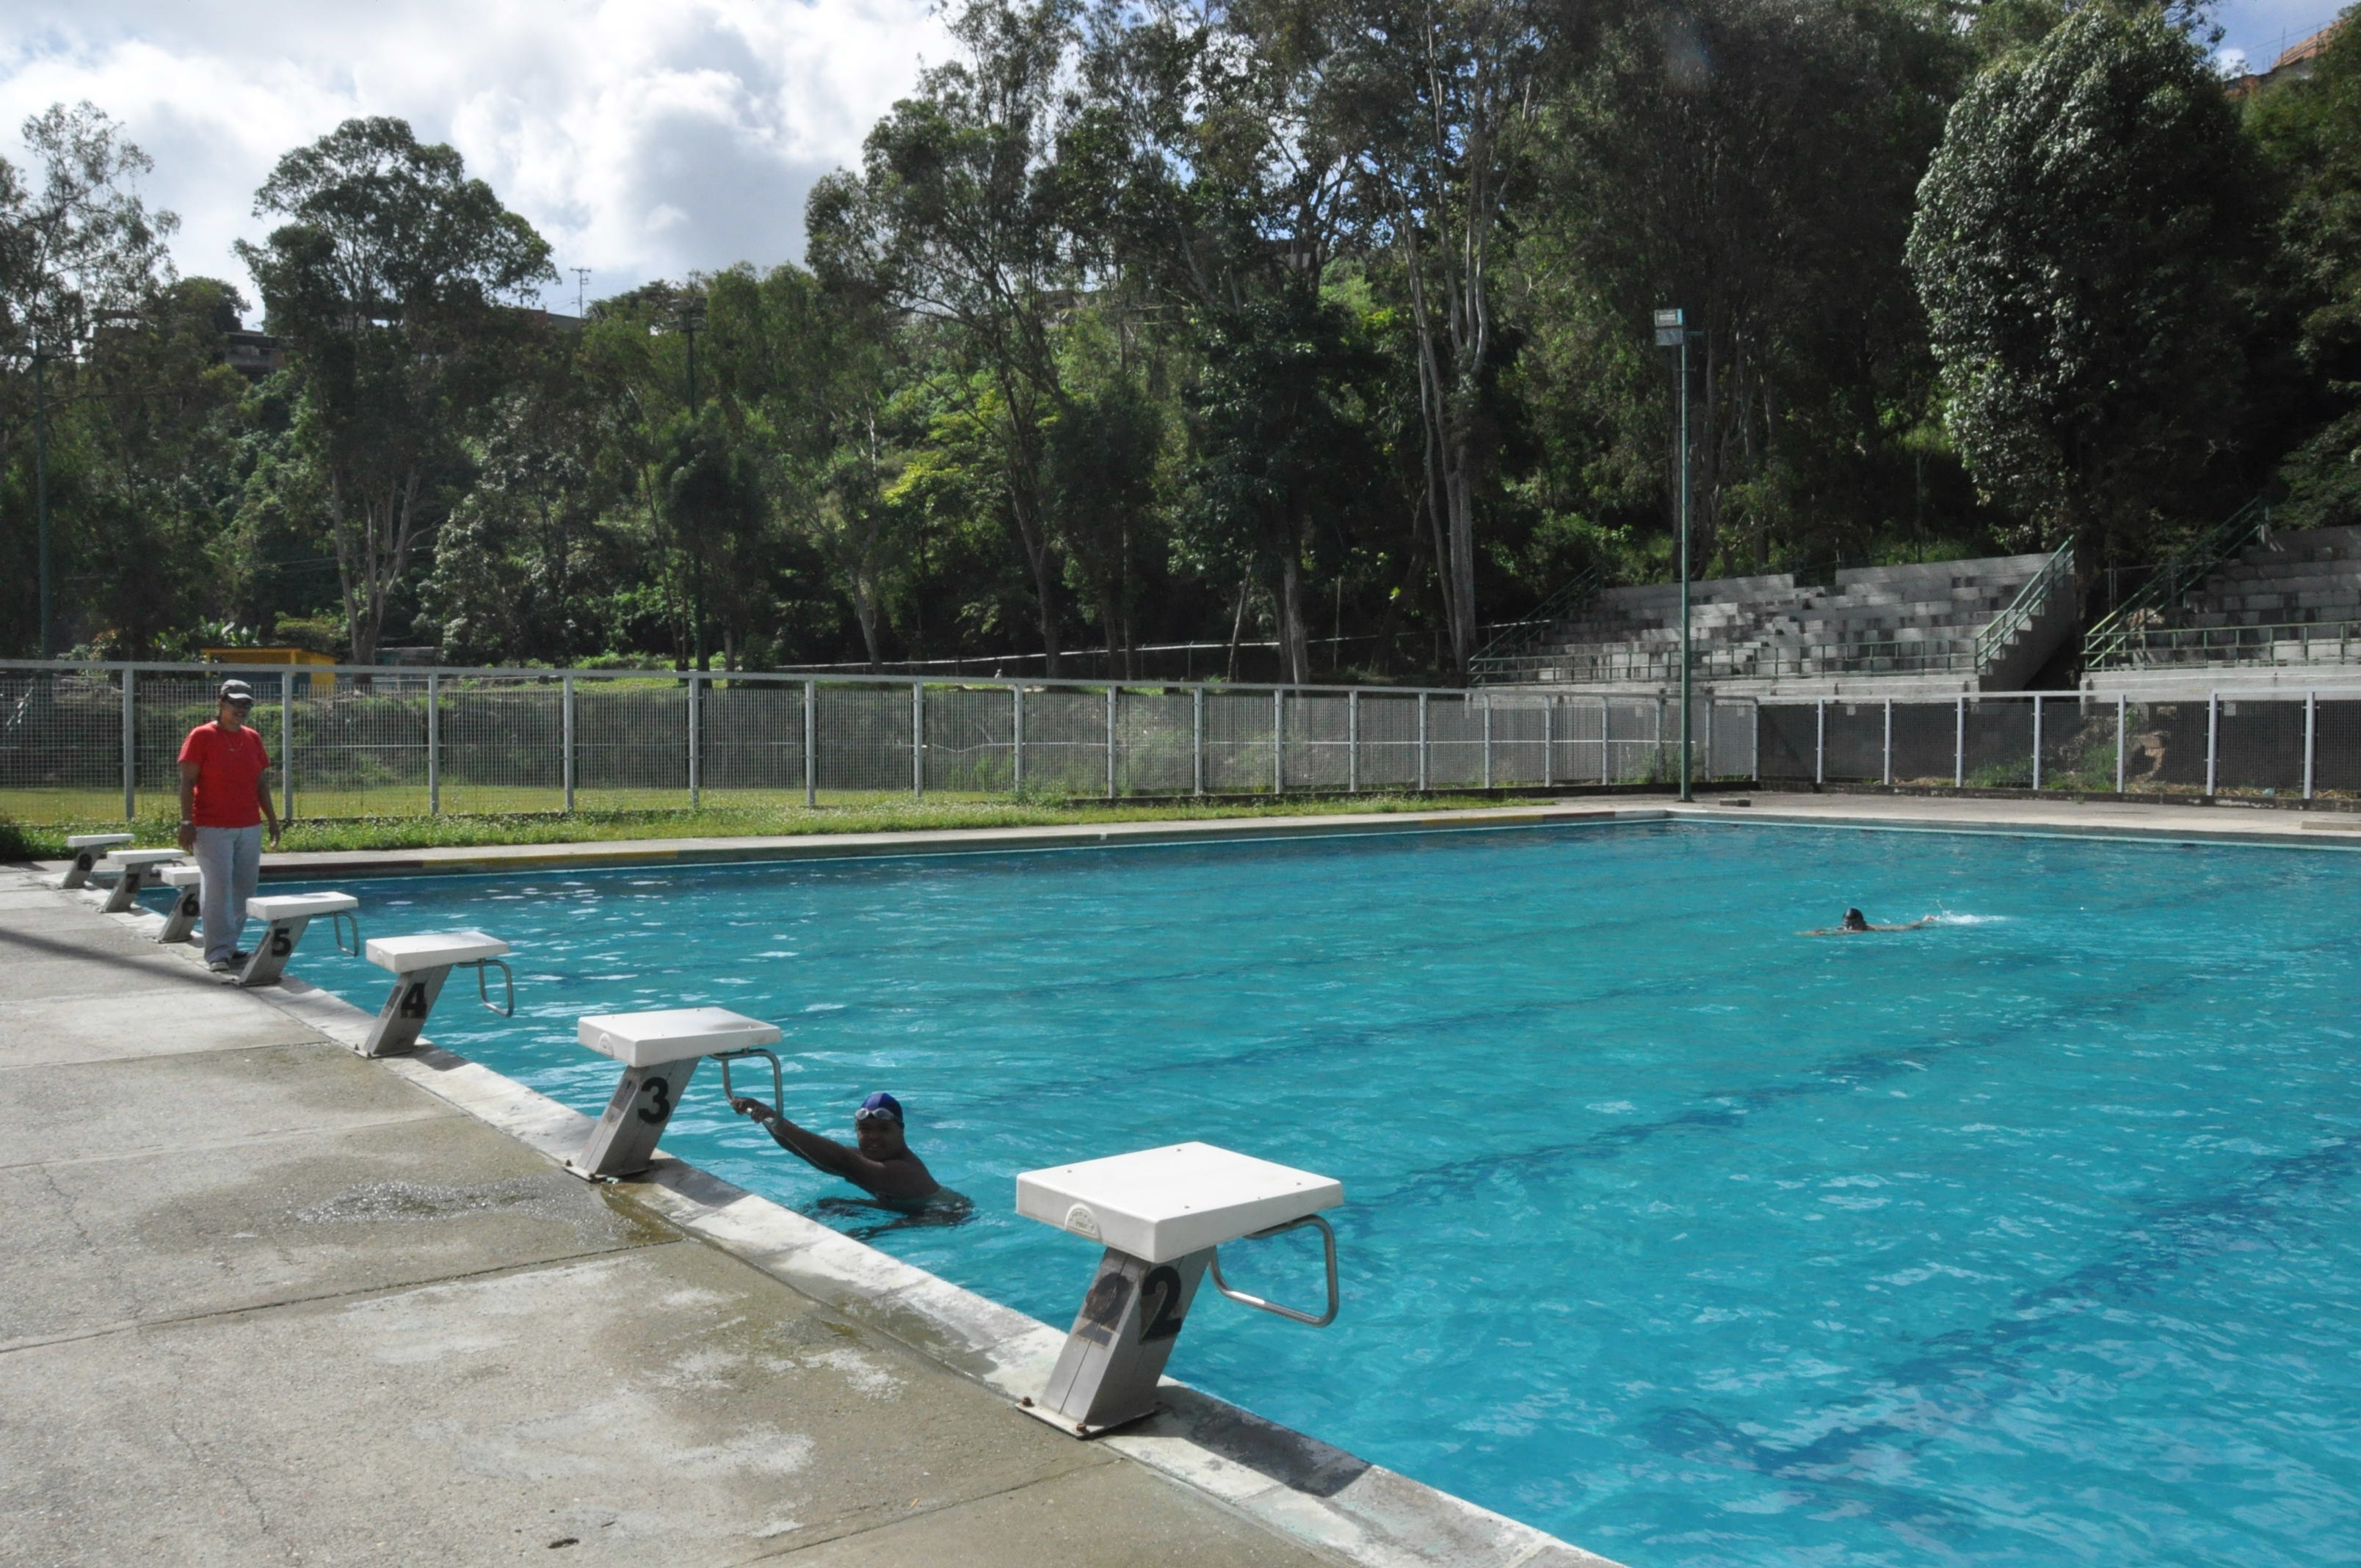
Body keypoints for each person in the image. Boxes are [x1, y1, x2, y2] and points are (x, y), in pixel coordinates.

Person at [177, 678, 282, 972]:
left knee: (244, 889)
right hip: (211, 827)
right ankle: (217, 953)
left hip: (248, 825)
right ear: (221, 702)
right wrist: (186, 822)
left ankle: (230, 945)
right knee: (218, 886)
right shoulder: (202, 735)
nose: (241, 708)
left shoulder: (252, 737)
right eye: (236, 702)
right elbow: (187, 782)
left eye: (247, 703)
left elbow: (260, 783)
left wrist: (272, 820)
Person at [730, 1089, 946, 1205]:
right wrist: (766, 1117)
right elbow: (801, 1150)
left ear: (901, 1130)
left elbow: (841, 1161)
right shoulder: (869, 1160)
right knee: (831, 1205)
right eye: (865, 1129)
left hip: (944, 1217)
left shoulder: (903, 1171)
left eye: (883, 1129)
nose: (874, 1137)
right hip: (905, 1212)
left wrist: (778, 1120)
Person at [1803, 907, 1930, 936]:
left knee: (1908, 927)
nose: (1850, 928)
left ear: (1863, 923)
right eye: (1846, 925)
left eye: (1854, 924)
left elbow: (1848, 933)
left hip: (1889, 929)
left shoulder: (1864, 930)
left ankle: (1924, 921)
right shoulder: (1845, 928)